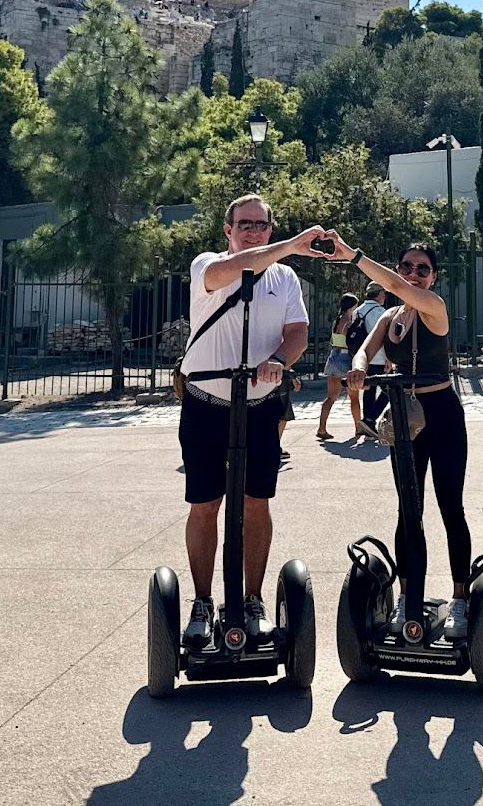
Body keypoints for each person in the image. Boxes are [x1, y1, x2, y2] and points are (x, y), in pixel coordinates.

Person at [179, 195, 325, 647]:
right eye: (245, 224)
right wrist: (290, 244)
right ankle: (203, 602)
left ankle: (253, 599)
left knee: (257, 501)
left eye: (261, 225)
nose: (253, 231)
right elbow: (238, 266)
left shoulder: (284, 278)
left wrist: (280, 359)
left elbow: (297, 331)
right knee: (205, 503)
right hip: (207, 401)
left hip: (259, 405)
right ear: (228, 229)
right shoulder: (208, 265)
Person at [329, 232, 472, 642]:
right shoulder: (389, 319)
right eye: (406, 267)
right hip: (405, 421)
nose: (413, 274)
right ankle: (408, 599)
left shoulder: (435, 308)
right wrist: (357, 369)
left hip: (441, 414)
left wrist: (354, 256)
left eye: (422, 269)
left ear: (434, 276)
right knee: (408, 511)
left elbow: (395, 288)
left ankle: (460, 599)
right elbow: (364, 349)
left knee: (450, 508)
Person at [316, 293, 368, 440]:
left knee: (331, 397)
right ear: (352, 306)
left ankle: (321, 428)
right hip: (345, 358)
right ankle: (358, 427)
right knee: (354, 397)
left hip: (333, 357)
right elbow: (350, 341)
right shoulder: (348, 321)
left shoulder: (337, 320)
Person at [355, 281, 392, 431]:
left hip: (362, 358)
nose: (384, 296)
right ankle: (371, 418)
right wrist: (389, 358)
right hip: (379, 357)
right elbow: (385, 337)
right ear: (378, 295)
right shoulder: (381, 312)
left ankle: (367, 421)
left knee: (368, 389)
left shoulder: (358, 311)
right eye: (383, 293)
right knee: (389, 391)